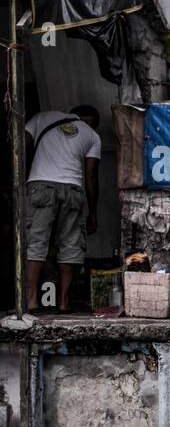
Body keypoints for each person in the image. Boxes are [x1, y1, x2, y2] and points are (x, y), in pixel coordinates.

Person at [24, 104, 101, 313]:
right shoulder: (92, 136)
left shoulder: (42, 117)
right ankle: (63, 302)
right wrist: (92, 211)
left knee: (36, 242)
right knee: (70, 244)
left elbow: (21, 143)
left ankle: (31, 301)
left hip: (41, 185)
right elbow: (91, 175)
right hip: (73, 189)